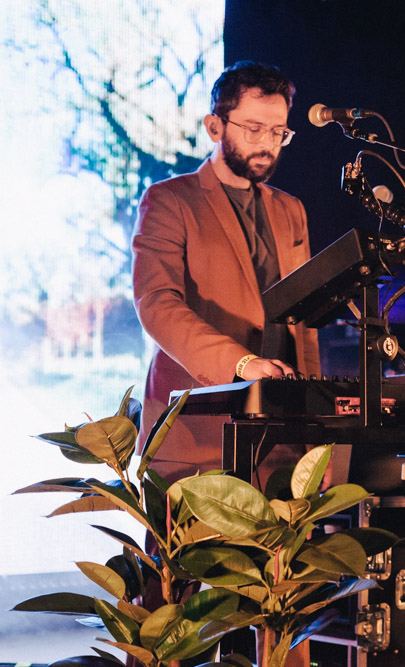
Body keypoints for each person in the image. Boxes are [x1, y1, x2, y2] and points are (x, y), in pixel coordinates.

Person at [132, 60, 320, 484]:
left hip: (284, 440)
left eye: (278, 133)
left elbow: (303, 325)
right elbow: (156, 303)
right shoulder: (169, 200)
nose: (267, 143)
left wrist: (314, 438)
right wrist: (241, 362)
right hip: (197, 438)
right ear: (215, 126)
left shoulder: (290, 209)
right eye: (253, 128)